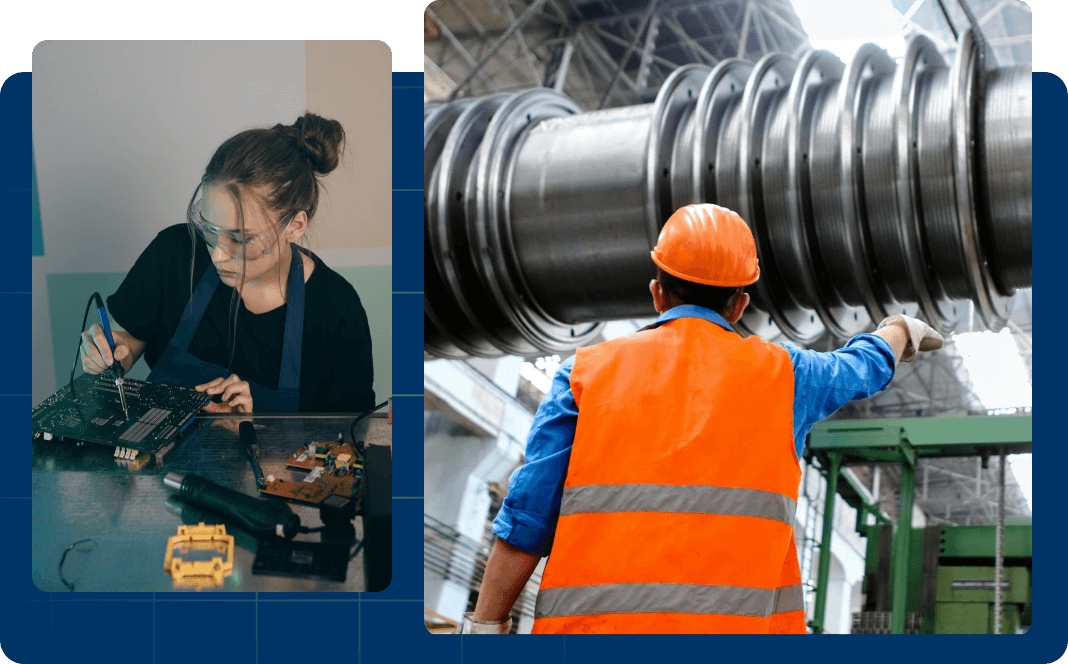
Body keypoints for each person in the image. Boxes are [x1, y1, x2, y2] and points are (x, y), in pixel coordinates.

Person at [465, 203, 943, 634]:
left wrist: (487, 627)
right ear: (739, 305)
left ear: (657, 293)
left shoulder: (585, 373)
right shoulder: (787, 375)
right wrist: (898, 330)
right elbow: (863, 367)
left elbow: (526, 520)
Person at [78, 113, 375, 413]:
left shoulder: (337, 309)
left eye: (241, 239)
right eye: (209, 229)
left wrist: (255, 431)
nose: (218, 255)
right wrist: (110, 354)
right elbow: (126, 340)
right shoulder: (174, 253)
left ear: (295, 227)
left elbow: (350, 439)